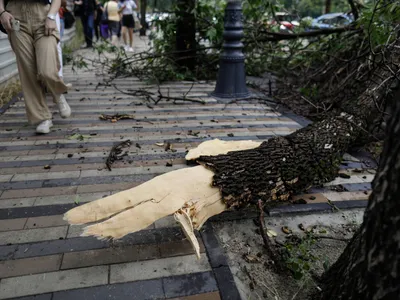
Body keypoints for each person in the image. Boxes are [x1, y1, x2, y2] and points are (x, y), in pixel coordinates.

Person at [0, 0, 71, 134]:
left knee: (47, 70)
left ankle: (57, 92)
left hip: (42, 14)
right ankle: (42, 118)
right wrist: (2, 12)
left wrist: (51, 16)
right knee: (28, 71)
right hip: (15, 15)